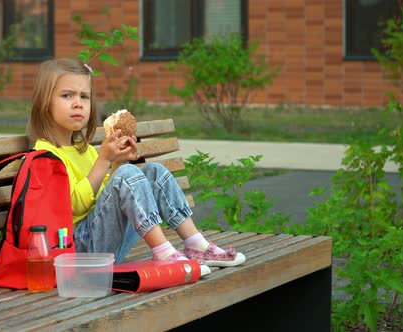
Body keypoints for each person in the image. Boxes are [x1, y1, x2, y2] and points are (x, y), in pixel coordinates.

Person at [26, 58, 245, 267]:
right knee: (127, 175)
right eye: (67, 95)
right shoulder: (45, 155)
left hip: (102, 240)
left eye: (84, 97)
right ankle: (164, 253)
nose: (78, 104)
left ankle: (196, 245)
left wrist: (116, 163)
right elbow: (74, 206)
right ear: (45, 102)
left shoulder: (84, 150)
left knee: (154, 172)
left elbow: (105, 197)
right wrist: (105, 159)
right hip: (78, 249)